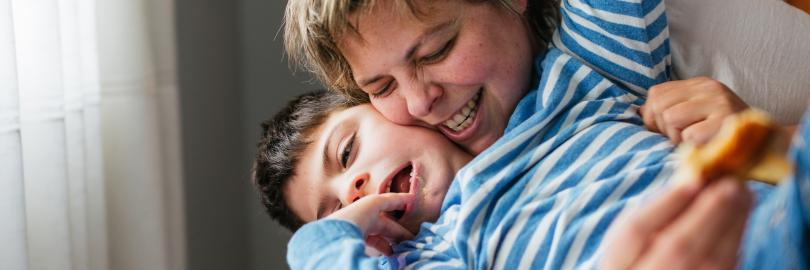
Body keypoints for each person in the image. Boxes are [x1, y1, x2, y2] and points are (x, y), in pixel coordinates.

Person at [281, 0, 794, 267]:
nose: (418, 102)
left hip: (774, 229)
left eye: (437, 50)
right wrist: (321, 241)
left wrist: (776, 143)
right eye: (382, 86)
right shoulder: (436, 249)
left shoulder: (585, 77)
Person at [252, 89, 809, 269]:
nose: (352, 191)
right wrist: (320, 243)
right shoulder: (432, 254)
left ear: (392, 104)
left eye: (347, 151)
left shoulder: (555, 102)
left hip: (774, 210)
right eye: (337, 212)